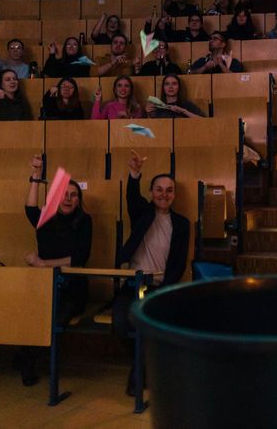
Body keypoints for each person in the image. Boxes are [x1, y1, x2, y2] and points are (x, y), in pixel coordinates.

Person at [113, 149, 191, 393]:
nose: (164, 194)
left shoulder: (181, 224)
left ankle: (139, 373)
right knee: (120, 325)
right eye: (159, 189)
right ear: (152, 193)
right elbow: (132, 198)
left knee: (151, 326)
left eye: (169, 190)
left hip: (160, 288)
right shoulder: (142, 213)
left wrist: (166, 288)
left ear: (174, 195)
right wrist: (135, 173)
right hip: (133, 285)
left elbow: (178, 263)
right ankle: (142, 365)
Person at [19, 155, 92, 385]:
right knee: (28, 313)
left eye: (73, 196)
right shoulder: (46, 218)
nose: (68, 199)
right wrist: (37, 177)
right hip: (45, 284)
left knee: (55, 318)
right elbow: (29, 208)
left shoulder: (84, 221)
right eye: (64, 194)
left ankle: (30, 362)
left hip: (72, 286)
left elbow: (79, 258)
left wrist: (43, 263)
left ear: (79, 201)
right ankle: (25, 358)